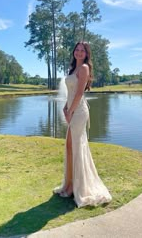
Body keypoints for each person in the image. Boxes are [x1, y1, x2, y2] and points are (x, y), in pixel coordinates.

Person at [54, 41, 112, 208]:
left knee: (75, 147)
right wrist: (65, 107)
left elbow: (79, 93)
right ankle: (69, 184)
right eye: (77, 50)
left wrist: (71, 111)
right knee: (70, 147)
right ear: (74, 52)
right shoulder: (72, 69)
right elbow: (70, 93)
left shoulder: (84, 69)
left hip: (79, 112)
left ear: (87, 54)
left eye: (82, 51)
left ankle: (75, 187)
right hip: (72, 109)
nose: (79, 52)